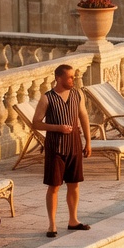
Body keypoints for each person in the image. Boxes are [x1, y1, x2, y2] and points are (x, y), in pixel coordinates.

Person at [33, 63, 92, 238]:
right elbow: (35, 123)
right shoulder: (47, 98)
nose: (74, 80)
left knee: (74, 185)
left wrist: (87, 142)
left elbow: (84, 117)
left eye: (74, 76)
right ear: (59, 78)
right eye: (70, 77)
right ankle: (52, 225)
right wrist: (58, 128)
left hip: (74, 145)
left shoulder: (77, 94)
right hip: (55, 147)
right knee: (54, 186)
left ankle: (73, 220)